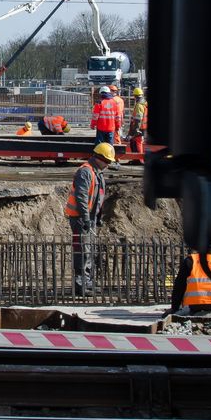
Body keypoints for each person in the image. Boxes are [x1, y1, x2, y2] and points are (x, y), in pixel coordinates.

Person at [64, 142, 115, 298]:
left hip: (89, 219)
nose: (108, 164)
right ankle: (80, 285)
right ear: (99, 158)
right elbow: (81, 197)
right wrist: (86, 219)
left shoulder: (97, 172)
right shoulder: (85, 172)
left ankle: (88, 282)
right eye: (107, 161)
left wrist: (96, 218)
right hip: (80, 219)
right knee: (82, 252)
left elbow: (97, 198)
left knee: (89, 251)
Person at [170, 249, 211, 317]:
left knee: (188, 313)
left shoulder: (191, 260)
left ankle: (196, 314)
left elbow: (179, 286)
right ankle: (210, 314)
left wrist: (174, 308)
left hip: (195, 304)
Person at [127, 87, 148, 154]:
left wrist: (136, 130)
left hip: (139, 127)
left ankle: (138, 160)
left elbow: (138, 119)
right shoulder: (144, 103)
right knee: (133, 142)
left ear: (135, 96)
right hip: (142, 126)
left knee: (137, 142)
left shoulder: (139, 105)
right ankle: (135, 159)